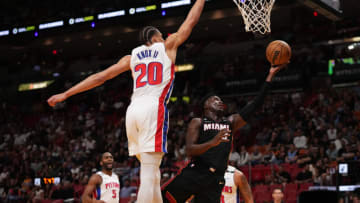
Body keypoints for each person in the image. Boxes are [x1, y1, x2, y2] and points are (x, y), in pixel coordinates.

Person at [47, 0, 206, 202]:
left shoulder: (131, 57)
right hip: (152, 107)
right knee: (149, 173)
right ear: (155, 37)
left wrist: (66, 94)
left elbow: (99, 77)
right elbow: (190, 21)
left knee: (152, 172)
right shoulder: (167, 46)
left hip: (133, 111)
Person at [161, 63, 288, 203]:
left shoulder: (230, 122)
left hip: (215, 180)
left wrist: (269, 76)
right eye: (215, 99)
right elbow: (190, 150)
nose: (219, 101)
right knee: (163, 199)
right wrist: (212, 142)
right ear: (206, 105)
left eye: (220, 100)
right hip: (197, 172)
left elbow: (255, 105)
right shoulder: (198, 122)